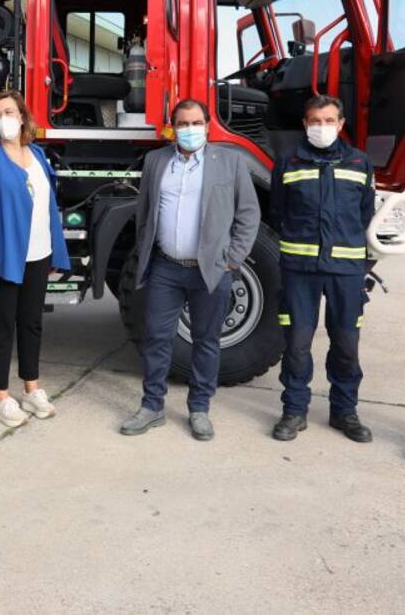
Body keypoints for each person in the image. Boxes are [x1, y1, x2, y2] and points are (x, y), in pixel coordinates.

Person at [120, 99, 260, 441]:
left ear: (208, 126)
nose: (190, 130)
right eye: (183, 124)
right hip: (166, 268)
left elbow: (248, 213)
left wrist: (233, 258)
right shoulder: (156, 162)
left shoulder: (230, 162)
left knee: (206, 341)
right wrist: (145, 252)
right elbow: (145, 212)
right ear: (172, 127)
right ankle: (152, 406)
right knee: (156, 338)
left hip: (210, 271)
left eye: (196, 123)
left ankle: (199, 409)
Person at [269, 95, 375, 444]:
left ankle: (344, 411)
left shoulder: (360, 162)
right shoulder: (288, 161)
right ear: (305, 124)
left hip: (345, 269)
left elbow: (364, 213)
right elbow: (278, 213)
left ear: (341, 124)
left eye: (329, 121)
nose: (322, 127)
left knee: (346, 343)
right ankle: (294, 411)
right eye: (315, 121)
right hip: (300, 268)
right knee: (297, 343)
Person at [0, 90, 70, 427]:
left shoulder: (38, 154)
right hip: (3, 257)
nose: (3, 120)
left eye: (9, 112)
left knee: (32, 323)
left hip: (38, 254)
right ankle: (1, 395)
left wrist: (55, 250)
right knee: (1, 326)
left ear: (23, 116)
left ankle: (31, 388)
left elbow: (49, 207)